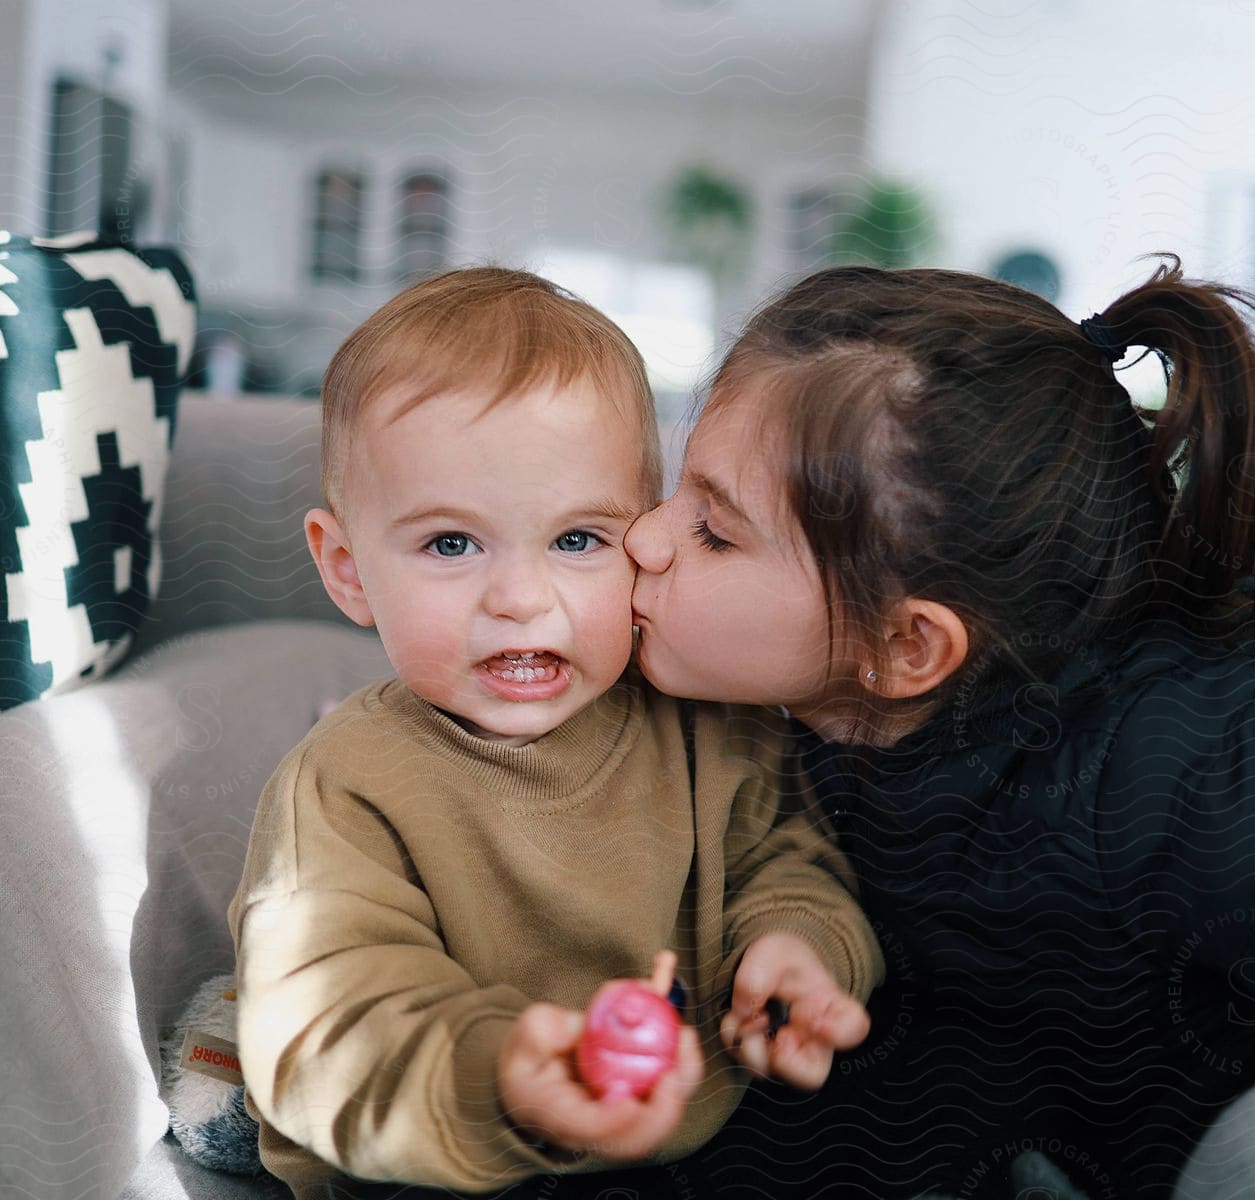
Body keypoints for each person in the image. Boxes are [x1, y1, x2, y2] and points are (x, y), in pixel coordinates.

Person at [621, 258, 1255, 1199]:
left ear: (904, 647)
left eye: (713, 529)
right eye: (675, 490)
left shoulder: (1188, 760)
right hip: (1121, 1153)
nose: (642, 538)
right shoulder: (753, 742)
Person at [228, 267, 882, 1200]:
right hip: (449, 1166)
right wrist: (501, 1082)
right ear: (348, 569)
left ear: (645, 535)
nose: (522, 600)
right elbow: (324, 1023)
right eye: (452, 544)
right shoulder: (348, 785)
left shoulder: (713, 731)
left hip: (690, 1157)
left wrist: (795, 949)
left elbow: (790, 862)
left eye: (579, 540)